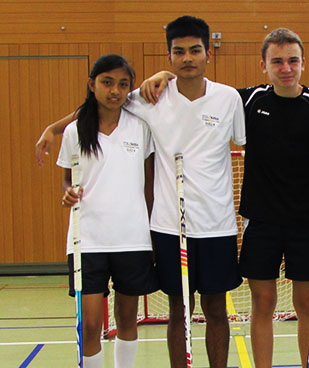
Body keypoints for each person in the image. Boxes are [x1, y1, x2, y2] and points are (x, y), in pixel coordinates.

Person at [36, 16, 246, 368]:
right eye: (178, 52)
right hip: (166, 225)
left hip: (217, 224)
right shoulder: (150, 98)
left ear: (208, 53)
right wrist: (53, 129)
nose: (187, 58)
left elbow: (246, 143)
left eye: (195, 50)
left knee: (216, 310)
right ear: (169, 56)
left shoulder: (228, 99)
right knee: (178, 312)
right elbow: (99, 105)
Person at [139, 27, 309, 368]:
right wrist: (163, 75)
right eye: (277, 61)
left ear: (303, 63)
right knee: (262, 303)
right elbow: (192, 88)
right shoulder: (245, 100)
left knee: (306, 307)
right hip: (260, 220)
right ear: (263, 65)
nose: (285, 68)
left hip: (306, 221)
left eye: (292, 61)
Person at [56, 54, 158, 368]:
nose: (115, 90)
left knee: (126, 319)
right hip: (87, 240)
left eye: (123, 84)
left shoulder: (141, 127)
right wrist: (68, 194)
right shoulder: (75, 131)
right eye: (107, 82)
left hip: (132, 239)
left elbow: (149, 185)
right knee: (89, 324)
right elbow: (67, 179)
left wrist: (149, 230)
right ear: (92, 84)